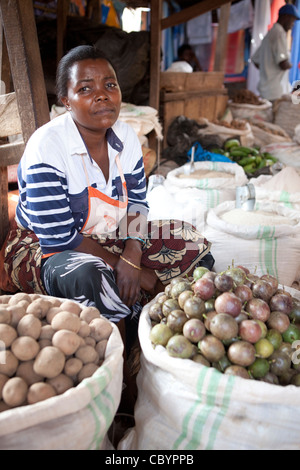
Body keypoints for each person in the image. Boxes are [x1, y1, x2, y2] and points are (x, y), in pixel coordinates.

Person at [0, 45, 214, 369]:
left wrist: (132, 255)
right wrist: (127, 266)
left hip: (107, 235)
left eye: (109, 85)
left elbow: (138, 204)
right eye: (85, 88)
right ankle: (122, 370)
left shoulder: (124, 136)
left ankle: (172, 335)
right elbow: (59, 238)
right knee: (93, 274)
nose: (101, 95)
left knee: (189, 240)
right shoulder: (49, 147)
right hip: (42, 248)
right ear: (66, 100)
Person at [251, 3, 300, 102]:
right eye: (292, 20)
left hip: (266, 89)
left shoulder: (270, 34)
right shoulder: (279, 33)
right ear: (285, 17)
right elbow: (283, 63)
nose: (293, 24)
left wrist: (268, 69)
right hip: (275, 92)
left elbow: (255, 60)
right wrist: (290, 65)